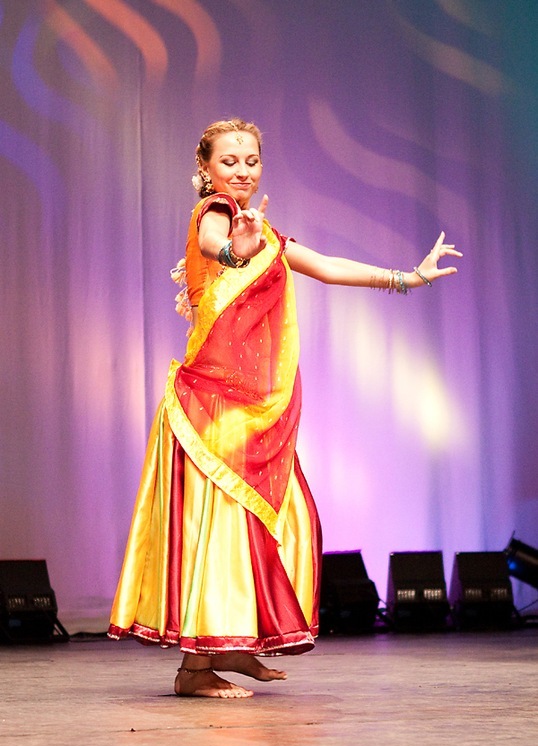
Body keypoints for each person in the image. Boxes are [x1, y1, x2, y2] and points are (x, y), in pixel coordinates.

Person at [108, 118, 462, 698]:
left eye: (251, 160)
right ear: (205, 169)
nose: (242, 171)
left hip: (256, 409)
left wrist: (407, 278)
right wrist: (234, 250)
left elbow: (326, 265)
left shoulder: (264, 232)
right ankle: (195, 669)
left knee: (280, 519)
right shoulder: (215, 214)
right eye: (229, 161)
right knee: (222, 530)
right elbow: (214, 244)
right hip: (215, 407)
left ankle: (235, 645)